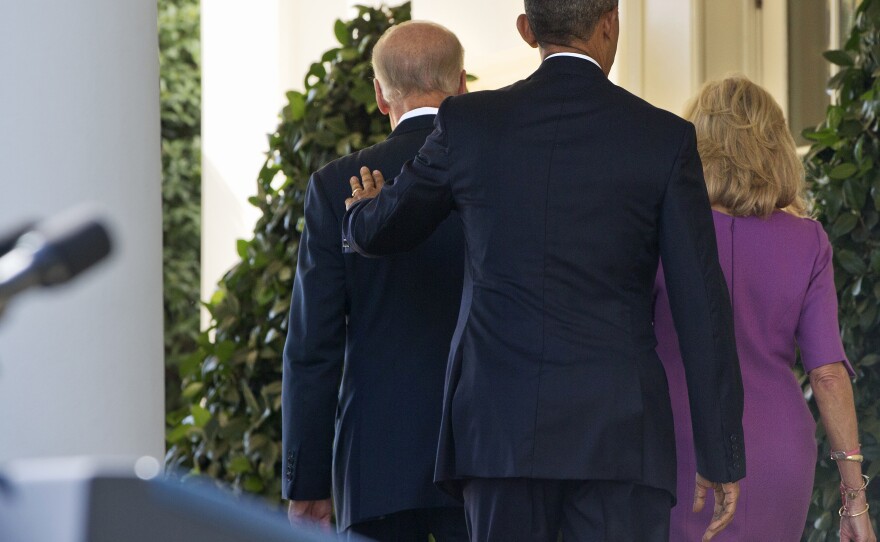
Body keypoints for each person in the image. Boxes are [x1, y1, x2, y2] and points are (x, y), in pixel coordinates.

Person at [342, 1, 745, 540]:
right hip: (619, 439)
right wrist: (720, 454)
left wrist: (361, 210)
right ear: (609, 23)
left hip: (499, 435)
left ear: (527, 30)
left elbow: (385, 230)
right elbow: (701, 303)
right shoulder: (664, 138)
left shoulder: (469, 123)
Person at [654, 76, 877, 542]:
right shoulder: (807, 240)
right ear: (775, 149)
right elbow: (828, 375)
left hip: (676, 441)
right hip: (778, 453)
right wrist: (854, 498)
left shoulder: (661, 229)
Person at [280, 21, 470, 542]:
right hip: (483, 461)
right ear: (461, 85)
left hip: (375, 465)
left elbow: (313, 347)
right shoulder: (495, 172)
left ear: (381, 96)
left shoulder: (333, 186)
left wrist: (308, 479)